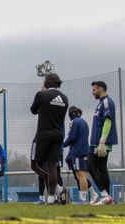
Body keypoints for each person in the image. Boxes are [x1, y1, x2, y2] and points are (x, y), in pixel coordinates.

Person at [30, 73, 69, 205]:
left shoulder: (41, 94)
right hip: (59, 134)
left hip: (43, 134)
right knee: (52, 166)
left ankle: (58, 189)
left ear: (46, 83)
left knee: (35, 165)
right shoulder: (65, 98)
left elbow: (33, 110)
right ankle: (52, 197)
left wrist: (42, 97)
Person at [88, 81, 118, 205]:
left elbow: (108, 121)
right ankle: (108, 198)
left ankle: (105, 195)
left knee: (90, 166)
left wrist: (102, 141)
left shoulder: (107, 102)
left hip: (100, 142)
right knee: (101, 167)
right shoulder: (101, 103)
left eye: (94, 90)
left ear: (100, 89)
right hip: (96, 141)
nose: (92, 92)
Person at [63, 106, 98, 204]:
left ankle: (83, 199)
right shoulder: (83, 122)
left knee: (80, 175)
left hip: (78, 152)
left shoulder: (74, 122)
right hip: (82, 151)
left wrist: (62, 145)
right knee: (78, 174)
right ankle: (93, 193)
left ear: (70, 114)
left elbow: (72, 137)